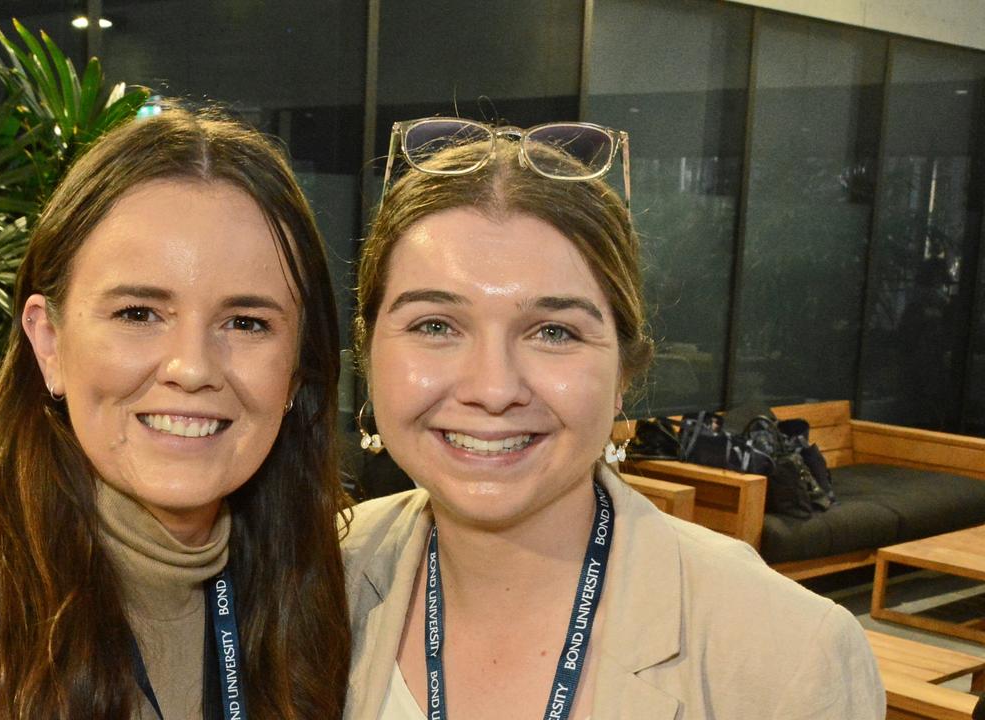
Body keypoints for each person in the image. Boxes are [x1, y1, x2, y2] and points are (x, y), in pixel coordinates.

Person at [0, 107, 351, 720]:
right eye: (138, 313)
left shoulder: (330, 596)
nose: (192, 367)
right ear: (48, 342)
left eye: (246, 323)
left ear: (296, 369)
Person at [342, 118, 884, 719]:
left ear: (624, 372)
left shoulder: (788, 659)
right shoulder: (315, 578)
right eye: (435, 326)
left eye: (554, 332)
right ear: (367, 355)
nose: (493, 390)